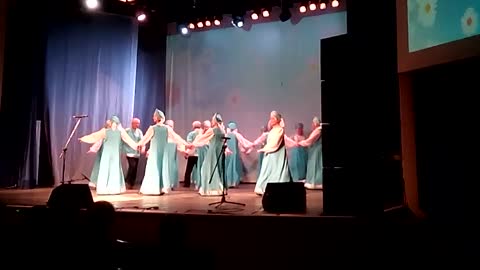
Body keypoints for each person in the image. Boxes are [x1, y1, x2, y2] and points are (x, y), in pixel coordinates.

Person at [79, 116, 138, 195]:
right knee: (113, 169)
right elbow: (129, 141)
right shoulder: (119, 132)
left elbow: (94, 136)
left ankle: (104, 188)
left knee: (106, 169)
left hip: (108, 155)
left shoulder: (107, 131)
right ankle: (114, 188)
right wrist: (137, 146)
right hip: (113, 155)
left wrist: (83, 138)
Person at [137, 109, 189, 195]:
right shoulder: (166, 128)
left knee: (154, 167)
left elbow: (145, 139)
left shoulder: (152, 128)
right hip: (162, 152)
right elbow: (176, 137)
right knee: (161, 168)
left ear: (157, 118)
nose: (153, 118)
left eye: (154, 116)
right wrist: (186, 144)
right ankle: (160, 188)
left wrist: (139, 144)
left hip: (155, 152)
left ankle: (153, 188)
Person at [253, 111, 296, 195]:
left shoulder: (280, 130)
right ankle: (264, 187)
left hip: (276, 155)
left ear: (277, 120)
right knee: (267, 170)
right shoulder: (272, 130)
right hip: (270, 154)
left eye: (272, 118)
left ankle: (278, 188)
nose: (270, 120)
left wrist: (264, 149)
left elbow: (275, 143)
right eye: (270, 118)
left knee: (277, 170)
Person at [190, 113, 231, 196]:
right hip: (219, 151)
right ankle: (220, 188)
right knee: (218, 169)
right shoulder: (222, 130)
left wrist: (192, 144)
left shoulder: (213, 130)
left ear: (215, 121)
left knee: (206, 169)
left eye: (212, 120)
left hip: (212, 151)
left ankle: (212, 189)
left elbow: (203, 138)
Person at [225, 121, 253, 187]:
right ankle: (233, 182)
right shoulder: (236, 134)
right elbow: (243, 142)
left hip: (228, 153)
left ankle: (228, 182)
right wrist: (251, 145)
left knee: (229, 167)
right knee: (234, 167)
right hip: (234, 153)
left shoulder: (227, 134)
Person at [299, 116, 323, 189]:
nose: (312, 125)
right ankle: (313, 181)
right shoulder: (317, 130)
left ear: (316, 124)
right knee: (314, 165)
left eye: (313, 123)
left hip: (316, 151)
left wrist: (300, 143)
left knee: (316, 165)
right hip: (314, 150)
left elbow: (310, 140)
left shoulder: (318, 130)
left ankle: (316, 182)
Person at [87, 120, 112, 188]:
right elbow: (98, 140)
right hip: (103, 151)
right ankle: (96, 182)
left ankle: (106, 183)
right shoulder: (103, 131)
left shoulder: (113, 132)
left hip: (109, 151)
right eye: (110, 125)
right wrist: (92, 149)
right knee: (99, 166)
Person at [124, 118, 145, 189]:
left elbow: (142, 140)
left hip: (136, 153)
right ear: (132, 123)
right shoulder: (127, 131)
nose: (137, 125)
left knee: (135, 168)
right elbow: (123, 138)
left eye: (138, 123)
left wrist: (142, 148)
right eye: (136, 123)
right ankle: (127, 181)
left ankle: (131, 183)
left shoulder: (139, 132)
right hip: (129, 152)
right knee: (132, 166)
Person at [162, 119, 181, 191]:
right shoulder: (163, 135)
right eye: (168, 126)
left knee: (172, 168)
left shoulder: (174, 136)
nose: (170, 128)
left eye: (171, 126)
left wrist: (185, 151)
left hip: (172, 157)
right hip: (165, 156)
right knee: (165, 168)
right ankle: (164, 184)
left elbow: (180, 144)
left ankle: (172, 183)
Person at [183, 121, 202, 188]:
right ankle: (201, 183)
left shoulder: (191, 134)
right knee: (201, 169)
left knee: (189, 170)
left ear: (193, 126)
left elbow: (189, 144)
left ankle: (186, 184)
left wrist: (187, 152)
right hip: (200, 154)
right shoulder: (202, 133)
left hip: (192, 154)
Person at [193, 120, 211, 190]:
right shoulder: (200, 135)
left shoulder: (210, 135)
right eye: (206, 127)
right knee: (200, 169)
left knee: (207, 169)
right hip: (201, 156)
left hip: (208, 156)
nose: (207, 128)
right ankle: (200, 184)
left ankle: (207, 185)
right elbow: (194, 143)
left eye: (208, 127)